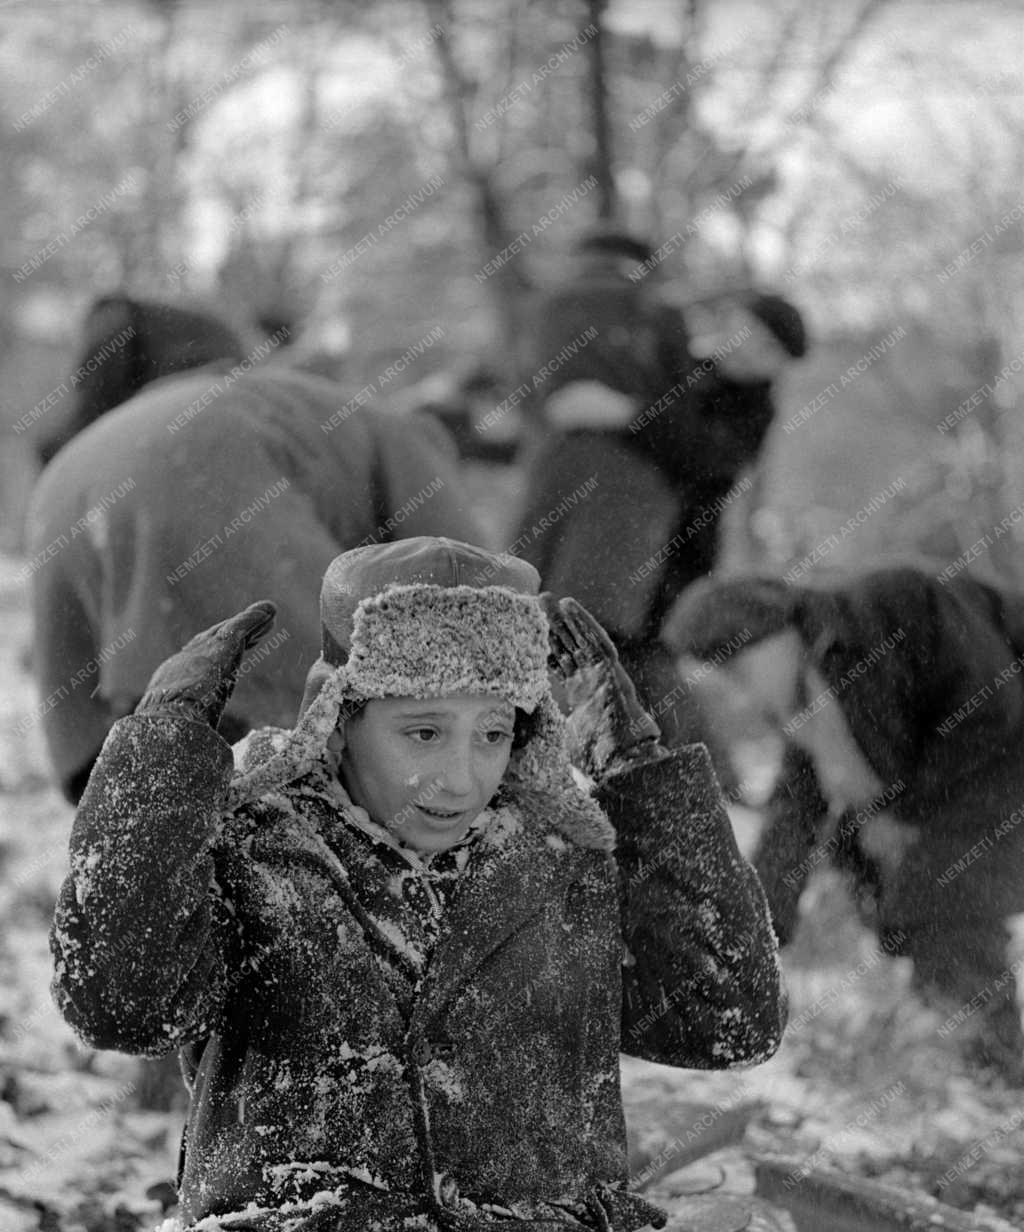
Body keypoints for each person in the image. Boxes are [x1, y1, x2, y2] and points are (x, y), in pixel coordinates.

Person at [51, 536, 786, 1228]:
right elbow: (119, 1006)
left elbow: (729, 1022)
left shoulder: (571, 859)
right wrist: (159, 758)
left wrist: (644, 789)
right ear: (337, 717)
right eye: (424, 732)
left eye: (494, 733)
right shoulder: (253, 848)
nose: (462, 778)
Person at [26, 365, 484, 804]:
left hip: (68, 487)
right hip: (202, 464)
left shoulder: (312, 408)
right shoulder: (413, 438)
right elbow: (477, 589)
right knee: (337, 699)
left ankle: (141, 834)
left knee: (146, 760)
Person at [662, 563, 1024, 1080]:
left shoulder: (894, 604)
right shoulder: (807, 699)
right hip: (964, 782)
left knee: (938, 895)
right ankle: (957, 1046)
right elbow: (794, 815)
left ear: (776, 631)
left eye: (739, 674)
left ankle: (993, 1073)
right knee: (883, 876)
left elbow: (995, 705)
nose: (742, 700)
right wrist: (749, 939)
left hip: (1003, 753)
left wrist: (911, 820)